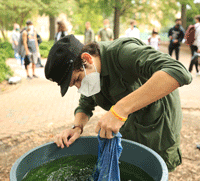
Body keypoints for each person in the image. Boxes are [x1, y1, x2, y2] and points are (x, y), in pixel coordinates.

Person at [45, 35, 192, 173]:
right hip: (130, 127)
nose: (79, 86)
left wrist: (120, 110)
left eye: (77, 79)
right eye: (74, 85)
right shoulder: (92, 74)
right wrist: (77, 127)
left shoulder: (123, 53)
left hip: (158, 127)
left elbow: (178, 71)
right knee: (134, 172)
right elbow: (85, 103)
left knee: (156, 175)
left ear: (87, 59)